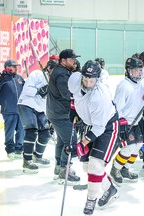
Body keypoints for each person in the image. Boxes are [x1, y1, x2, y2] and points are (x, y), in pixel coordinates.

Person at [68, 60, 120, 215]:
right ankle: (110, 188)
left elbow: (99, 127)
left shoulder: (100, 96)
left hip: (107, 128)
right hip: (91, 124)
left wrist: (82, 143)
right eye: (86, 78)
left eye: (92, 80)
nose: (88, 83)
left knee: (96, 165)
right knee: (86, 166)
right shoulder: (74, 80)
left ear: (97, 80)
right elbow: (75, 96)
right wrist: (74, 108)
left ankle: (91, 199)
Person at [110, 57, 144, 184]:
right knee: (128, 147)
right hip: (125, 122)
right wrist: (120, 124)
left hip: (137, 120)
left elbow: (142, 99)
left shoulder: (143, 82)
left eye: (140, 69)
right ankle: (115, 169)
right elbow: (116, 107)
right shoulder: (124, 86)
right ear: (129, 71)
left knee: (138, 146)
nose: (139, 72)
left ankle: (125, 169)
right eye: (136, 70)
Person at [46, 49, 81, 184]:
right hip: (60, 114)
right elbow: (67, 94)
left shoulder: (63, 72)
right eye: (72, 59)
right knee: (71, 142)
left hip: (57, 112)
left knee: (62, 141)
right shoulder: (61, 75)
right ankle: (64, 171)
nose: (75, 62)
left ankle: (59, 168)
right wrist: (81, 93)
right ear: (63, 61)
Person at [17, 61, 57, 173]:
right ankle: (27, 160)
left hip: (40, 109)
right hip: (26, 104)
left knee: (46, 133)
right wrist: (39, 91)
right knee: (32, 131)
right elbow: (26, 90)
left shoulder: (54, 82)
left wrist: (51, 118)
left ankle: (37, 156)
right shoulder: (37, 74)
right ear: (49, 68)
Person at [0, 59, 25, 160]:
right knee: (10, 131)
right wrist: (1, 79)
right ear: (7, 67)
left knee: (21, 130)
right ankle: (10, 149)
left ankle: (19, 148)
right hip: (8, 110)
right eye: (13, 66)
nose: (16, 68)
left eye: (16, 66)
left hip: (20, 109)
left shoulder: (20, 78)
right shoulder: (2, 78)